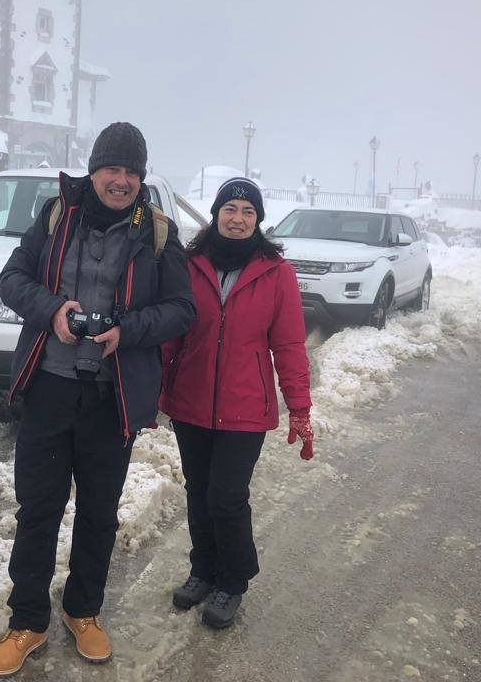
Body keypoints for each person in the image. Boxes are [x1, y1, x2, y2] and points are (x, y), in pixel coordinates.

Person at [0, 122, 195, 676]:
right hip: (49, 389)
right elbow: (11, 279)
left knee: (99, 514)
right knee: (38, 512)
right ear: (93, 170)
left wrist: (128, 329)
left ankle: (84, 611)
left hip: (112, 398)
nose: (120, 181)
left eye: (131, 172)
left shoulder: (158, 233)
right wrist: (52, 309)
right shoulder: (57, 216)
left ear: (141, 178)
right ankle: (27, 619)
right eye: (112, 169)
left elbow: (181, 309)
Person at [159, 177, 313, 629]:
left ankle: (233, 580)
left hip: (246, 406)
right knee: (198, 492)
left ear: (258, 219)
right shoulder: (190, 264)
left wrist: (299, 407)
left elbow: (288, 344)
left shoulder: (275, 271)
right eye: (231, 209)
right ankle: (203, 570)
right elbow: (170, 335)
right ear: (216, 214)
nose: (239, 218)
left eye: (248, 211)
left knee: (226, 498)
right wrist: (153, 395)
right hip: (190, 401)